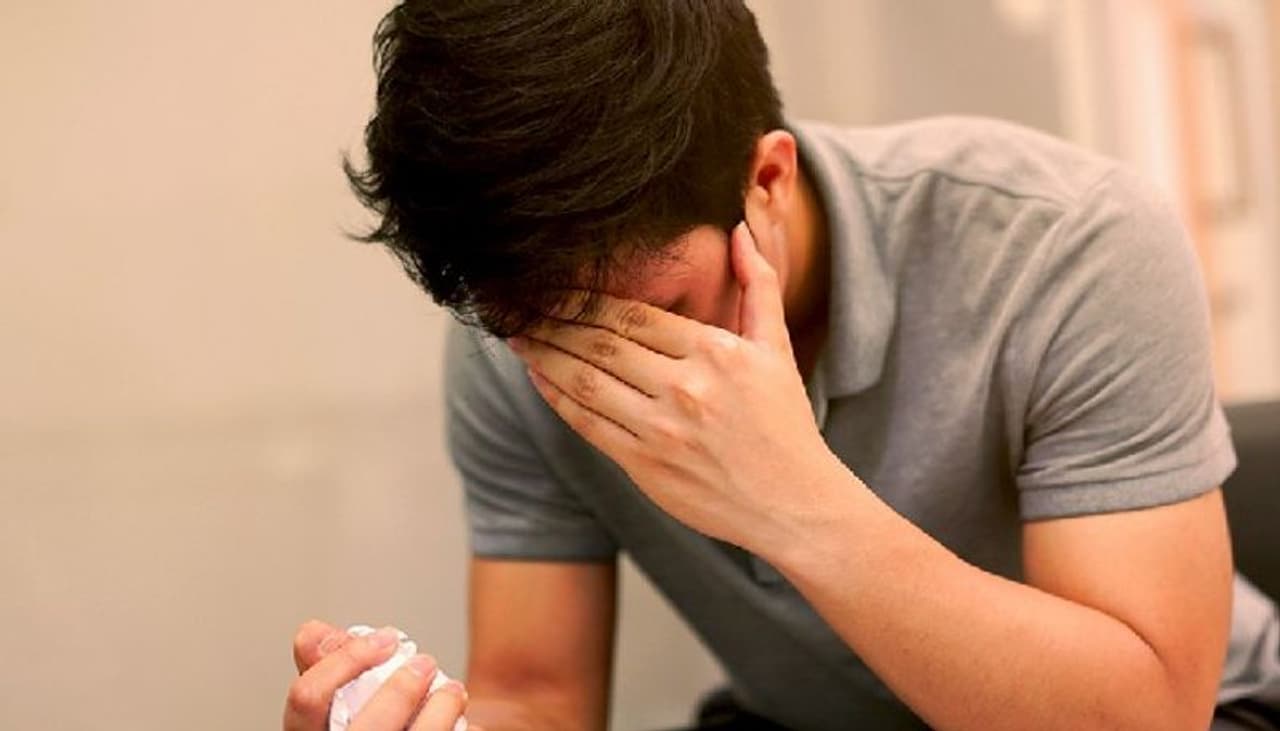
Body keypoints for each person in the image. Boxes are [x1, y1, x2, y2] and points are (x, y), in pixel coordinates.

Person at [283, 2, 1280, 730]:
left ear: (765, 181)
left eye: (654, 318)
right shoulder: (516, 336)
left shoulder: (1070, 246)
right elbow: (538, 696)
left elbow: (1145, 715)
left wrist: (793, 500)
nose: (597, 363)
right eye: (531, 326)